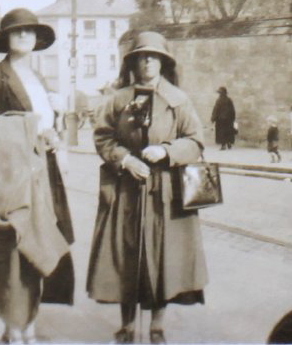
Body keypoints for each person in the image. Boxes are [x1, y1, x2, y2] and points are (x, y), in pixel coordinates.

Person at [87, 31, 207, 345]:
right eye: (141, 57)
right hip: (126, 192)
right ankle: (127, 326)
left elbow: (196, 141)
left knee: (162, 257)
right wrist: (124, 159)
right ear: (133, 63)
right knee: (126, 258)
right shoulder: (118, 100)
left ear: (163, 62)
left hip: (166, 193)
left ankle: (156, 326)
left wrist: (167, 151)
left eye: (154, 57)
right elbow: (103, 137)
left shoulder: (178, 100)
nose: (147, 62)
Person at [0, 8, 75, 344]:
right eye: (17, 32)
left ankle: (29, 326)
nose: (25, 36)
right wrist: (27, 129)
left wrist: (57, 129)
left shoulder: (39, 80)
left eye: (30, 32)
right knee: (12, 253)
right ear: (6, 39)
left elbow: (47, 127)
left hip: (44, 175)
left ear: (38, 39)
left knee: (39, 247)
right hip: (10, 179)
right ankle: (13, 329)